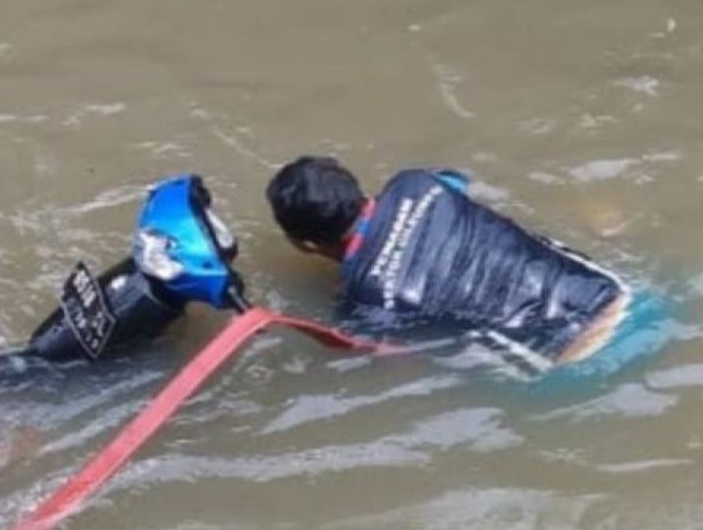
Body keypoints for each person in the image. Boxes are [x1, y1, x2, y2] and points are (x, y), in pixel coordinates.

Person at [264, 155, 636, 373]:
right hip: (623, 298)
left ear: (305, 244)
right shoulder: (417, 184)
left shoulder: (365, 301)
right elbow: (458, 184)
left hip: (577, 362)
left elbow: (398, 358)